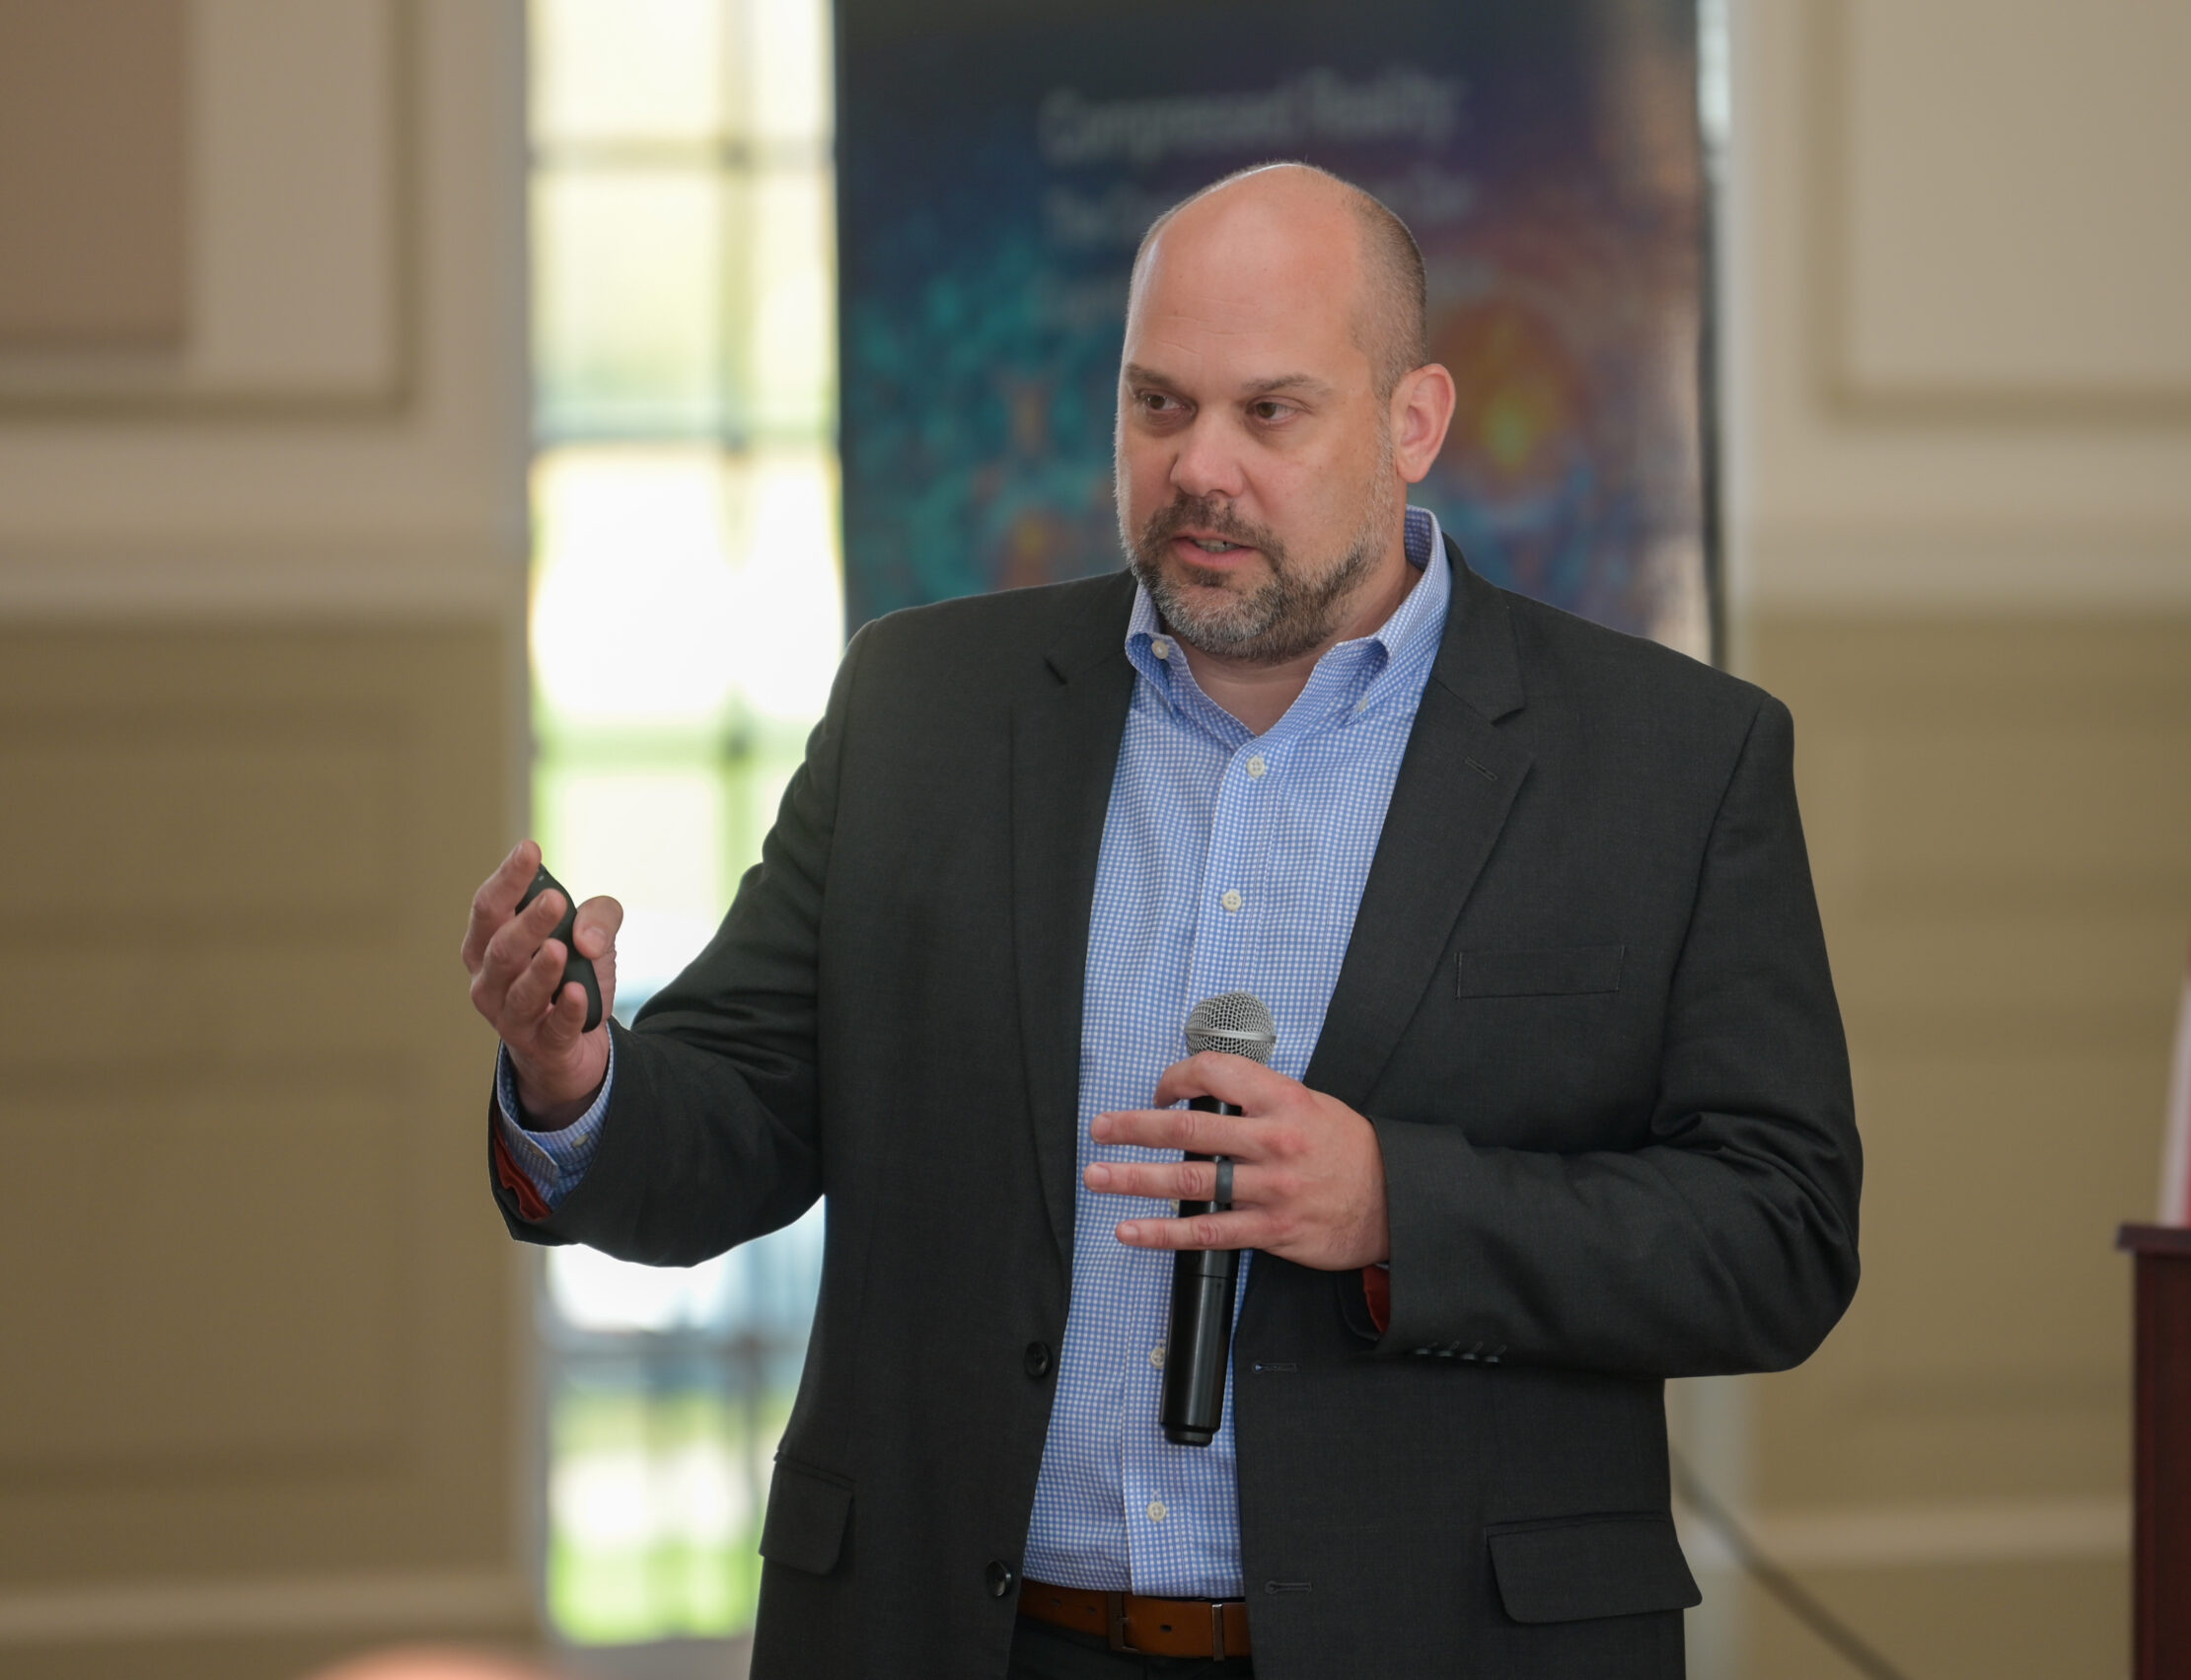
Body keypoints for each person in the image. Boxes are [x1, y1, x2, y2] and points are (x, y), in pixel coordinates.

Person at [465, 162, 1860, 1678]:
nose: (1199, 467)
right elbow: (737, 1116)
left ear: (1416, 423)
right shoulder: (926, 709)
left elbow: (1778, 1232)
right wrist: (579, 1084)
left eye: (1269, 413)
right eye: (1157, 406)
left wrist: (1399, 1204)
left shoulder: (1665, 760)